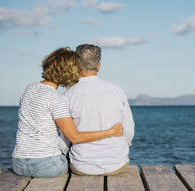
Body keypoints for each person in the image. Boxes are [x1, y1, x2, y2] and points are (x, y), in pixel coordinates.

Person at [12, 48, 123, 178]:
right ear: (69, 72)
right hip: (47, 165)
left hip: (18, 163)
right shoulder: (56, 99)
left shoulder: (29, 88)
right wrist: (111, 132)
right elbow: (74, 137)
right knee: (74, 160)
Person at [65, 44, 134, 176]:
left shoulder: (69, 94)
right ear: (99, 66)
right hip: (117, 164)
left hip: (82, 166)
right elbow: (128, 129)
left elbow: (65, 138)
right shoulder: (117, 90)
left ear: (76, 65)